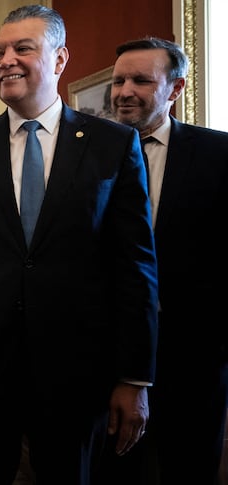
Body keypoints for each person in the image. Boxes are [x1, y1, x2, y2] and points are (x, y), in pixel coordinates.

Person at [0, 4, 159, 485]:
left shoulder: (111, 144)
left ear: (58, 59)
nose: (6, 59)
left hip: (77, 371)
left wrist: (134, 377)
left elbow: (134, 266)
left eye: (22, 48)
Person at [106, 36, 228, 485]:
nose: (124, 91)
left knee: (190, 470)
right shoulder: (86, 152)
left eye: (141, 80)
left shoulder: (218, 154)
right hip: (108, 360)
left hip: (194, 361)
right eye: (119, 80)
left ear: (174, 89)